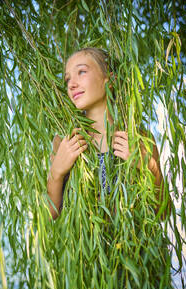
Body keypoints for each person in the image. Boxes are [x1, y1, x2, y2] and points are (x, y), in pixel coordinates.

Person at [47, 48, 163, 220]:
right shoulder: (65, 141)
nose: (71, 84)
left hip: (136, 246)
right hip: (85, 248)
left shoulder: (139, 138)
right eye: (67, 79)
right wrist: (57, 173)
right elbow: (49, 215)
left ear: (110, 79)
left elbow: (163, 213)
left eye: (81, 72)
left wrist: (148, 166)